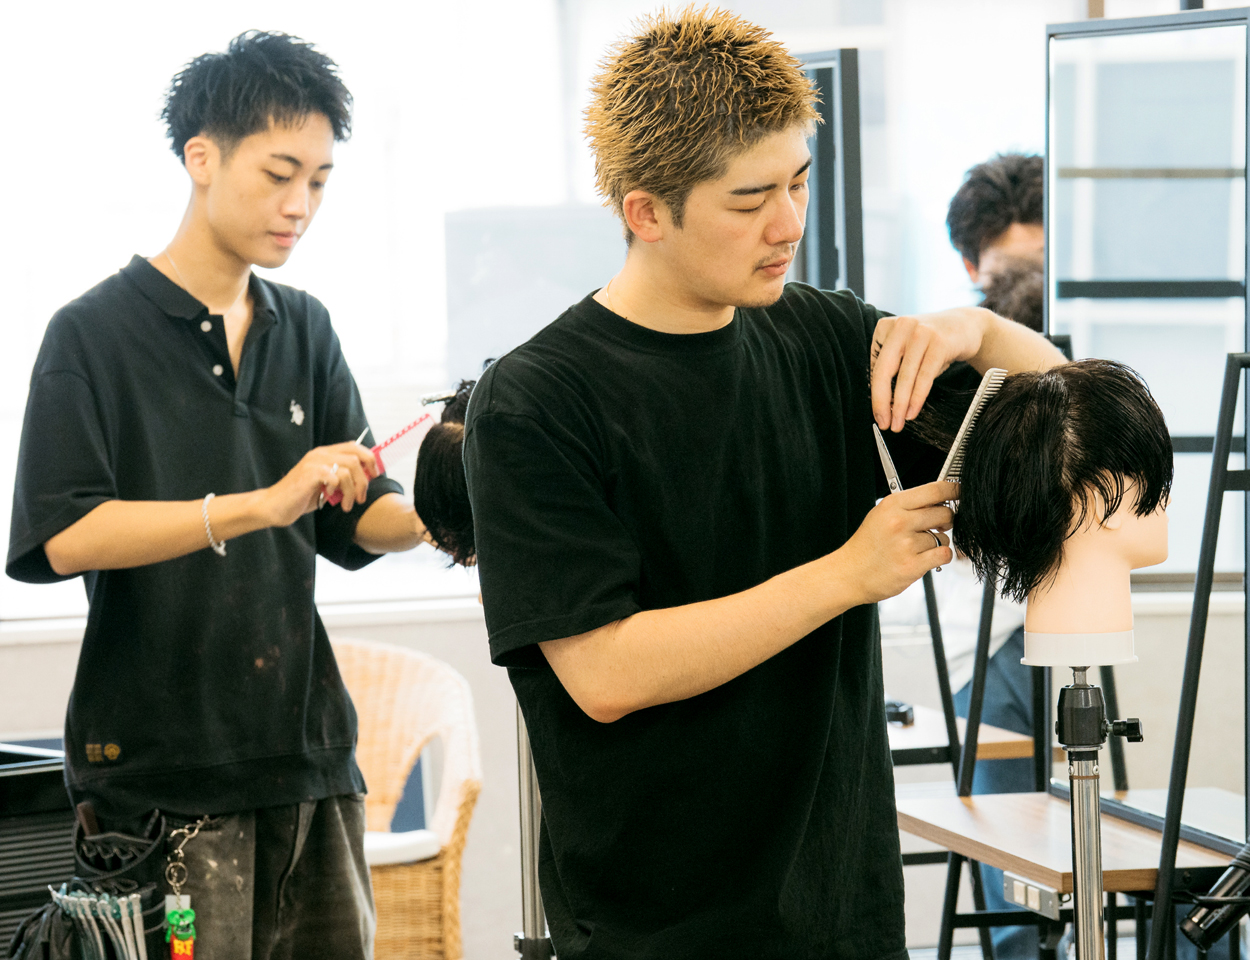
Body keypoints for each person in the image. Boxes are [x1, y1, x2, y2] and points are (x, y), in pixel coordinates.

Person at [461, 10, 1066, 959]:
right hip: (657, 932)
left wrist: (977, 330)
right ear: (646, 213)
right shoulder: (539, 400)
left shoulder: (826, 338)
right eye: (749, 202)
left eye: (799, 182)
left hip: (845, 918)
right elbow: (606, 673)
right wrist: (846, 574)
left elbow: (1070, 429)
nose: (788, 224)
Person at [7, 32, 426, 960]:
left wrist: (444, 510)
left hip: (309, 759)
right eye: (280, 173)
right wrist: (260, 503)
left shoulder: (305, 327)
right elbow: (65, 533)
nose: (300, 204)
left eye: (320, 180)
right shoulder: (90, 336)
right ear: (202, 157)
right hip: (158, 780)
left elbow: (362, 512)